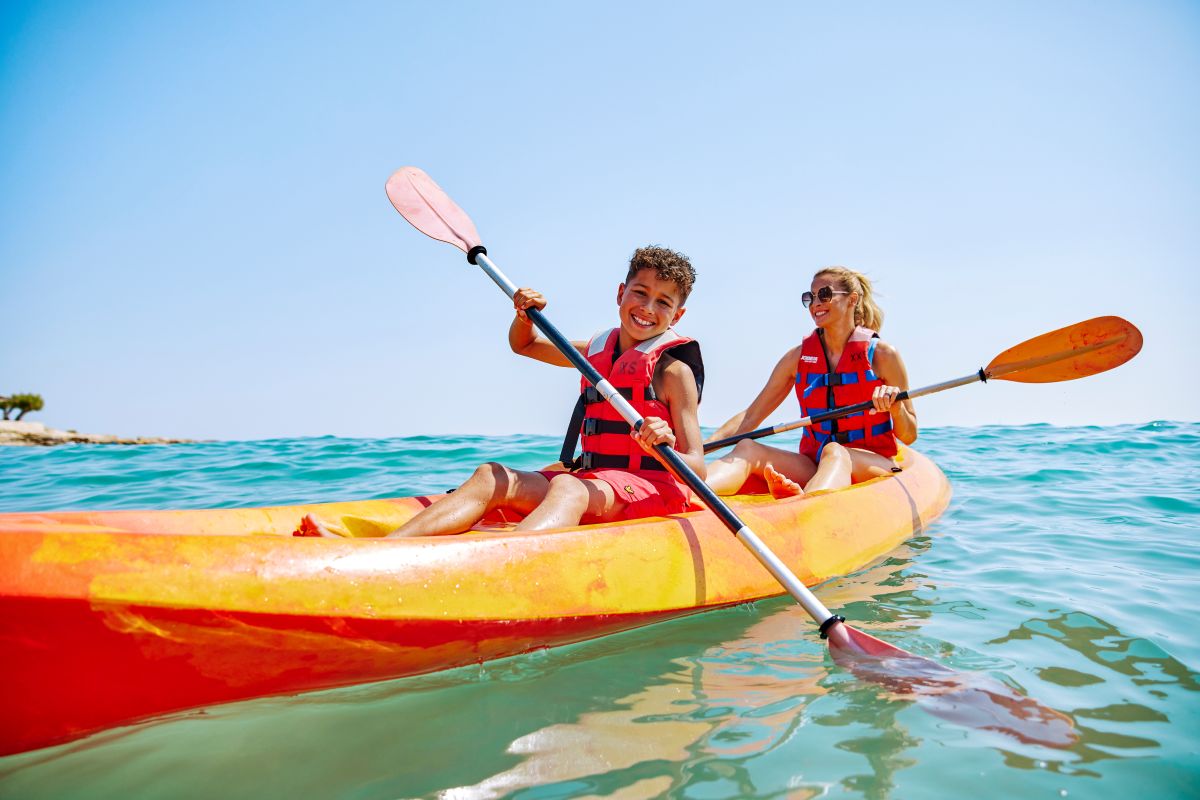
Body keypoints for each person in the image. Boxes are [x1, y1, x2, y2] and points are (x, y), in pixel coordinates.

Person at [296, 246, 705, 538]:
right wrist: (525, 316)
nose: (647, 308)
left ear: (677, 315)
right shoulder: (594, 352)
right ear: (620, 293)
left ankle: (506, 560)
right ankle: (385, 551)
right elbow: (525, 345)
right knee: (491, 476)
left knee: (567, 486)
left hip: (651, 490)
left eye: (663, 302)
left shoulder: (674, 373)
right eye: (640, 293)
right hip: (593, 482)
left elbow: (697, 469)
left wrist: (663, 444)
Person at [704, 266, 916, 499]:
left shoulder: (883, 356)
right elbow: (750, 417)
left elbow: (909, 435)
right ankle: (689, 494)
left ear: (852, 299)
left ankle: (804, 507)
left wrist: (896, 407)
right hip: (814, 464)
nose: (815, 304)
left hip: (872, 464)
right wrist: (701, 448)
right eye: (810, 297)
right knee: (748, 448)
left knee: (835, 451)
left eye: (824, 294)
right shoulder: (797, 358)